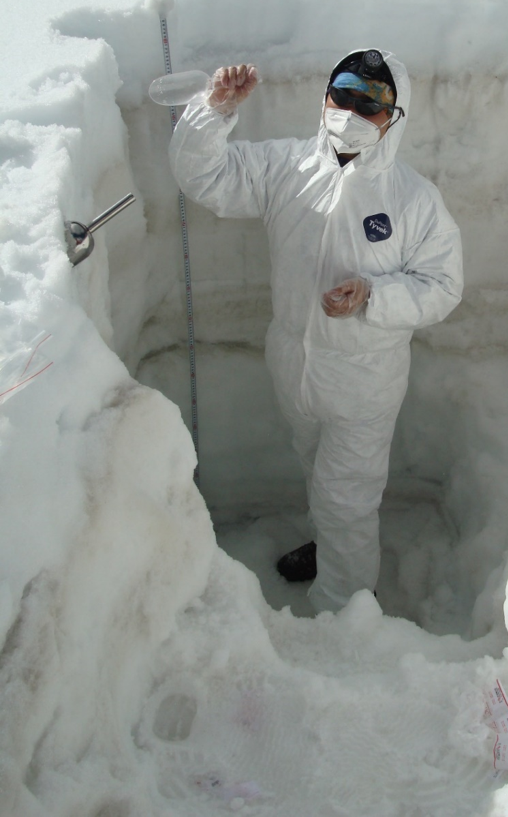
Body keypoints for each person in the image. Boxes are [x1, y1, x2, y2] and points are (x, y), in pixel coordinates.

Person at [169, 49, 463, 612]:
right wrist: (213, 113)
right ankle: (333, 551)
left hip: (364, 380)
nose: (351, 111)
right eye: (342, 93)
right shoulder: (286, 167)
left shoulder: (413, 199)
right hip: (294, 366)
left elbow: (443, 286)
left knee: (346, 498)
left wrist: (373, 296)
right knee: (318, 477)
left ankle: (346, 610)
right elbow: (205, 177)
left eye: (370, 103)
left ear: (394, 116)